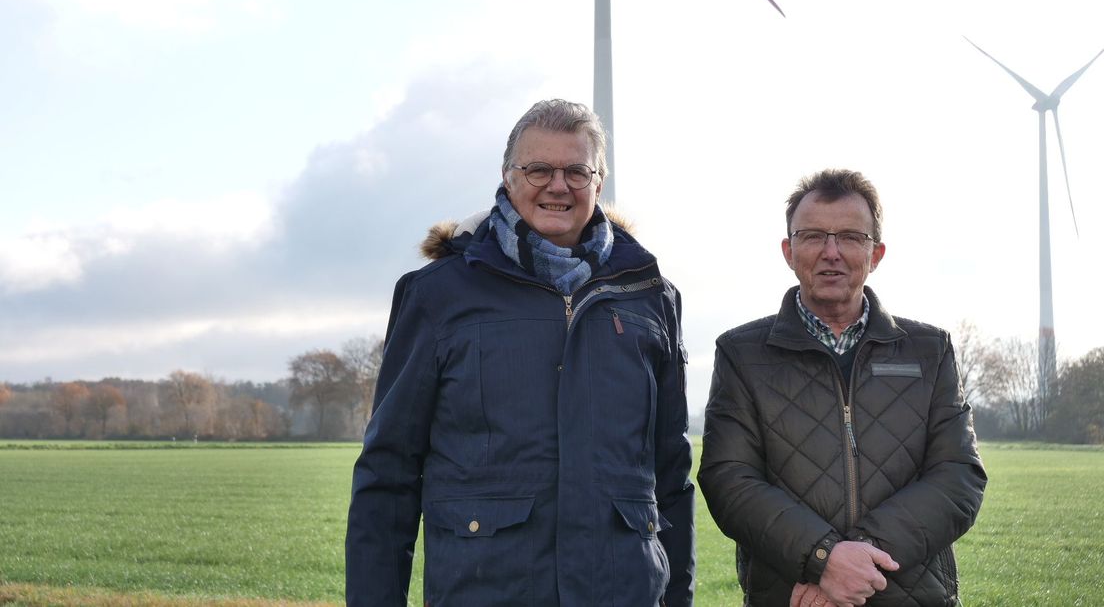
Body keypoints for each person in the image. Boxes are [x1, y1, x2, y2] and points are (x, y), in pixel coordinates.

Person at [345, 99, 695, 606]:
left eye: (577, 170)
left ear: (599, 182)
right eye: (538, 170)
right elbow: (388, 476)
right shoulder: (439, 295)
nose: (558, 185)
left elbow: (671, 477)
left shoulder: (650, 296)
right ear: (508, 178)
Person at [698, 168, 986, 607]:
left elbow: (959, 476)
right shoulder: (742, 354)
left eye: (851, 237)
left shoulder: (930, 350)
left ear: (877, 253)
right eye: (813, 236)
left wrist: (852, 561)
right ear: (788, 250)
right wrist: (821, 558)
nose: (831, 252)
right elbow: (729, 479)